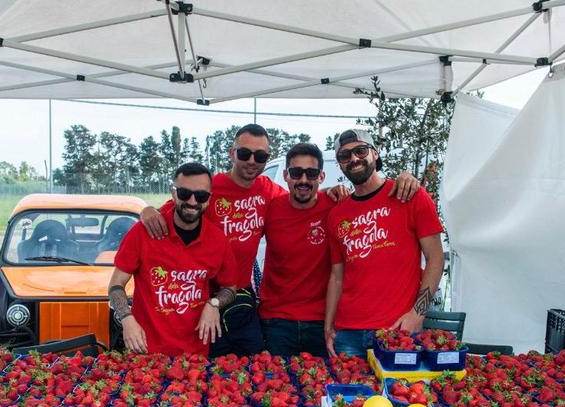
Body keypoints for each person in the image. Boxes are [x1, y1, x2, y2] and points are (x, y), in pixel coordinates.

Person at [141, 124, 419, 357]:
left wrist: (405, 179)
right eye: (245, 153)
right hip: (219, 305)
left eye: (260, 156)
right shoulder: (215, 190)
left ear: (321, 177)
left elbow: (347, 230)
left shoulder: (318, 202)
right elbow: (179, 206)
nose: (252, 161)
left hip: (302, 315)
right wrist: (147, 210)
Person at [259, 143, 421, 358]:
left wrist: (407, 177)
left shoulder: (336, 206)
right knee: (276, 384)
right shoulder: (270, 208)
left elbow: (369, 196)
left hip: (321, 321)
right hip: (276, 323)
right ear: (287, 175)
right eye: (297, 173)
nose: (304, 180)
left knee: (323, 388)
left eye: (312, 173)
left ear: (322, 177)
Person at [324, 129, 444, 358]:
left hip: (397, 329)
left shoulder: (409, 196)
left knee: (400, 394)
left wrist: (417, 314)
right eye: (344, 156)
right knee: (346, 394)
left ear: (375, 154)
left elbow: (435, 258)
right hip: (348, 333)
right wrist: (328, 326)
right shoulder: (336, 215)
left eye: (360, 151)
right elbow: (337, 276)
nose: (353, 159)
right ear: (339, 164)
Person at [108, 162, 238, 356]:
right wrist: (126, 317)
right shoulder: (143, 233)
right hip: (146, 353)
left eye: (201, 196)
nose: (193, 202)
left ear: (209, 199)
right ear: (173, 192)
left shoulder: (218, 240)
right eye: (185, 193)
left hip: (195, 356)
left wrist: (214, 304)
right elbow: (116, 284)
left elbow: (230, 288)